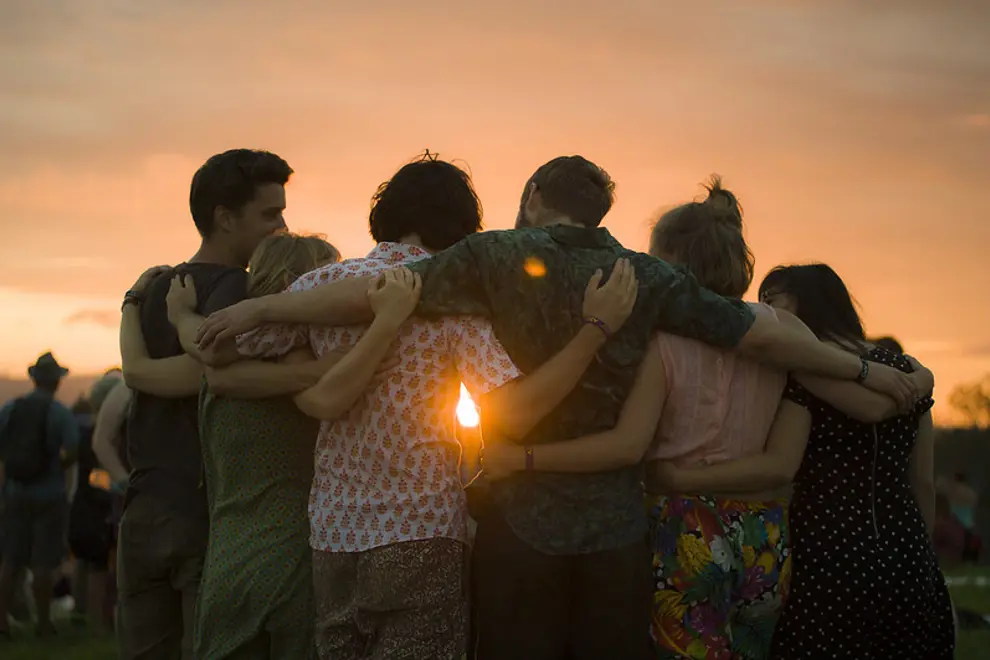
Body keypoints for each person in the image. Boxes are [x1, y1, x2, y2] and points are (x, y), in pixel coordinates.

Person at [193, 157, 922, 660]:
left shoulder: (493, 257)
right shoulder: (645, 275)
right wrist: (859, 364)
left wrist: (262, 303)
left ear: (536, 192)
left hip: (517, 523)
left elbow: (377, 294)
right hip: (614, 527)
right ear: (602, 208)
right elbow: (759, 333)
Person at [185, 153, 641, 659]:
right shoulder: (458, 302)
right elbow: (512, 412)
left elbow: (217, 355)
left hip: (334, 531)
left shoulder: (319, 286)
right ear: (464, 227)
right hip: (422, 528)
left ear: (389, 214)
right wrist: (593, 334)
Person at [481, 178, 935, 659]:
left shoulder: (661, 339)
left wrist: (522, 457)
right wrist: (911, 380)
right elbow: (851, 395)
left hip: (687, 529)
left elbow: (628, 446)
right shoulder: (781, 330)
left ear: (674, 262)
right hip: (765, 534)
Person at [117, 148, 292, 659]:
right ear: (224, 217)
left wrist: (128, 307)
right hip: (203, 508)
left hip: (143, 505)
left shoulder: (156, 289)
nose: (282, 226)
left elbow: (140, 371)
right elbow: (210, 373)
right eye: (270, 213)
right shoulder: (238, 288)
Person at [753, 264, 954, 659]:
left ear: (806, 302)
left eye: (772, 299)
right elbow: (923, 481)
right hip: (906, 549)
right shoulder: (906, 371)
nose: (765, 311)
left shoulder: (804, 372)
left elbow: (783, 466)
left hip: (827, 552)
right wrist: (923, 558)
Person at [162, 232, 342, 659]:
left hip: (227, 563)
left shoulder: (220, 365)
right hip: (296, 564)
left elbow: (183, 360)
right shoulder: (302, 349)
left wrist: (179, 315)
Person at [0, 352, 80, 640]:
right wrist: (58, 466)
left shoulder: (11, 409)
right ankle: (43, 623)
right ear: (57, 382)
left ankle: (2, 623)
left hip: (14, 493)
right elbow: (73, 448)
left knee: (11, 559)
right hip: (49, 496)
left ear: (33, 379)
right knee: (43, 562)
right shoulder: (60, 413)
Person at [68, 371, 124, 634]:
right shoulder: (103, 437)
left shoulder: (86, 432)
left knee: (93, 565)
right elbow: (96, 479)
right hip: (99, 509)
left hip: (86, 506)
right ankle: (100, 626)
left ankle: (94, 621)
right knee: (99, 567)